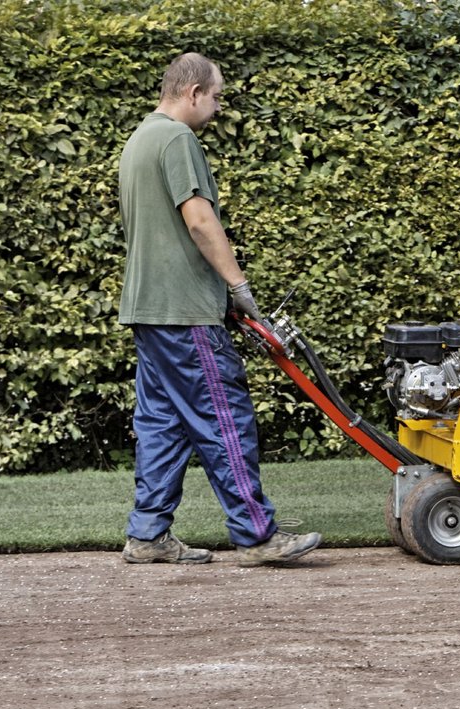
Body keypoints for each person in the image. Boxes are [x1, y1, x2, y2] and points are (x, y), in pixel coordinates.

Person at [117, 53, 321, 566]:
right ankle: (257, 536)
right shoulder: (178, 140)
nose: (218, 106)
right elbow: (200, 221)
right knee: (224, 418)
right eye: (216, 96)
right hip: (186, 312)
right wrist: (238, 285)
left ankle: (147, 535)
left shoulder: (140, 139)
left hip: (149, 308)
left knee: (162, 423)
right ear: (192, 93)